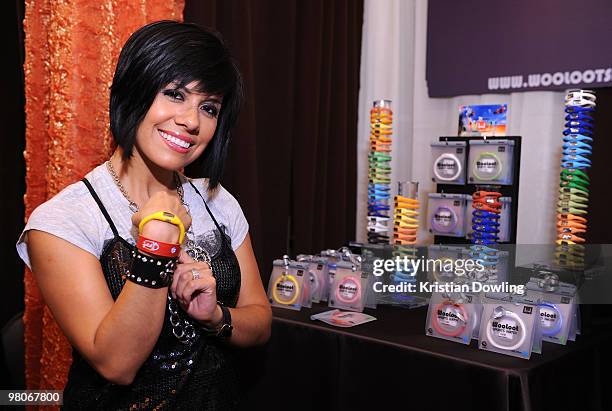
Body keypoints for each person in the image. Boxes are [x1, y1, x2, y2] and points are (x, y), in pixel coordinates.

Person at [16, 20, 271, 410]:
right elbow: (117, 364)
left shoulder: (217, 199)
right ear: (133, 91)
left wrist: (215, 315)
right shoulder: (63, 219)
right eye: (174, 94)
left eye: (208, 107)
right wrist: (158, 244)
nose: (191, 121)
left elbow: (259, 322)